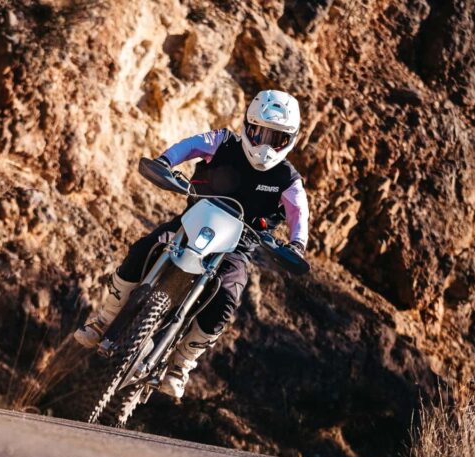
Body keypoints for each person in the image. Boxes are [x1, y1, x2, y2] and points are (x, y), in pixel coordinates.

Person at [74, 89, 310, 399]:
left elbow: (299, 213)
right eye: (260, 133)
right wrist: (166, 161)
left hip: (235, 248)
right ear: (247, 125)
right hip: (191, 223)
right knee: (144, 248)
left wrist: (296, 245)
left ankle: (180, 365)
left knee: (227, 296)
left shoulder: (288, 179)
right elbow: (190, 146)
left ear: (289, 140)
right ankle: (103, 320)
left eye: (276, 138)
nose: (265, 144)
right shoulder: (223, 142)